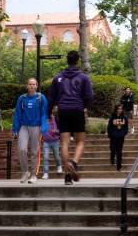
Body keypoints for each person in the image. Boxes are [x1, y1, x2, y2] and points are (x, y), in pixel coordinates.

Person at [48, 50, 93, 185]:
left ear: (67, 61)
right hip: (77, 110)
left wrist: (48, 114)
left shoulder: (58, 78)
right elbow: (89, 96)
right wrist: (84, 106)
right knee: (80, 142)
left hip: (63, 111)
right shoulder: (84, 77)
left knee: (64, 143)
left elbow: (51, 98)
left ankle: (67, 176)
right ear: (77, 61)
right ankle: (74, 162)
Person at [12, 78, 48, 184]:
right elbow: (17, 113)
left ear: (36, 86)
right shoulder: (22, 98)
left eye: (33, 84)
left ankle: (33, 175)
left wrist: (44, 126)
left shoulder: (41, 98)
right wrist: (15, 128)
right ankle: (25, 172)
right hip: (24, 126)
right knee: (21, 149)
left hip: (36, 127)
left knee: (34, 151)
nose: (32, 86)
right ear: (27, 86)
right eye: (30, 84)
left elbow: (44, 113)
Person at [41, 116, 63, 180]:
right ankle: (45, 173)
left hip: (55, 141)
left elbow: (60, 130)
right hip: (46, 142)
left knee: (56, 156)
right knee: (45, 157)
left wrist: (56, 131)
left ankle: (59, 166)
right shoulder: (43, 119)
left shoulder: (56, 119)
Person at [107, 105, 128, 171]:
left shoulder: (124, 117)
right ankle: (112, 159)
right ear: (116, 109)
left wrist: (124, 133)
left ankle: (119, 166)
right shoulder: (112, 117)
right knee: (113, 149)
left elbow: (126, 126)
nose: (120, 110)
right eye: (118, 109)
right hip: (113, 136)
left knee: (119, 151)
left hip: (121, 136)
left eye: (121, 109)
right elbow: (109, 127)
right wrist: (110, 134)